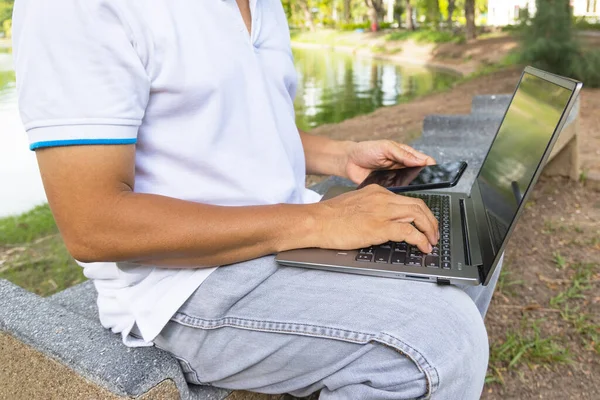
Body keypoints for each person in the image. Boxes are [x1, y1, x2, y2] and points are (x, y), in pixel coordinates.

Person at [12, 0, 500, 398]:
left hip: (285, 231)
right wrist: (320, 223)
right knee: (442, 342)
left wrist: (342, 154)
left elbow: (241, 125)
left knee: (461, 241)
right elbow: (94, 223)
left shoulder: (263, 5)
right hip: (184, 282)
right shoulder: (73, 8)